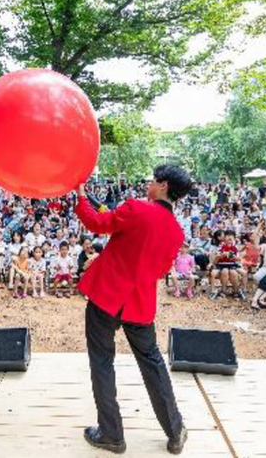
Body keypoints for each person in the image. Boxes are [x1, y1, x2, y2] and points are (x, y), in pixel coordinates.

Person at [75, 164, 191, 455]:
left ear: (163, 186)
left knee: (102, 362)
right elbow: (162, 269)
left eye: (153, 180)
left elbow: (97, 224)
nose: (148, 184)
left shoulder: (137, 208)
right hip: (140, 304)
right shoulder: (177, 232)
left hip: (107, 295)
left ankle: (112, 435)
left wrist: (80, 197)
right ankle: (175, 431)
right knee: (152, 363)